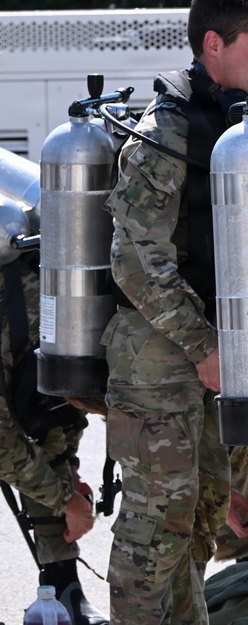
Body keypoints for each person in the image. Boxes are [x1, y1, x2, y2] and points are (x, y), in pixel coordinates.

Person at [102, 0, 248, 624]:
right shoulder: (168, 129)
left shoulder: (222, 122)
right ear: (214, 45)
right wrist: (201, 342)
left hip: (196, 355)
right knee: (156, 528)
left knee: (204, 511)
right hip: (158, 355)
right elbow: (132, 257)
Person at [0, 251, 107, 625]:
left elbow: (55, 413)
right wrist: (66, 500)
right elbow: (4, 448)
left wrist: (69, 470)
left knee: (47, 444)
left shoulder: (73, 327)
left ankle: (62, 585)